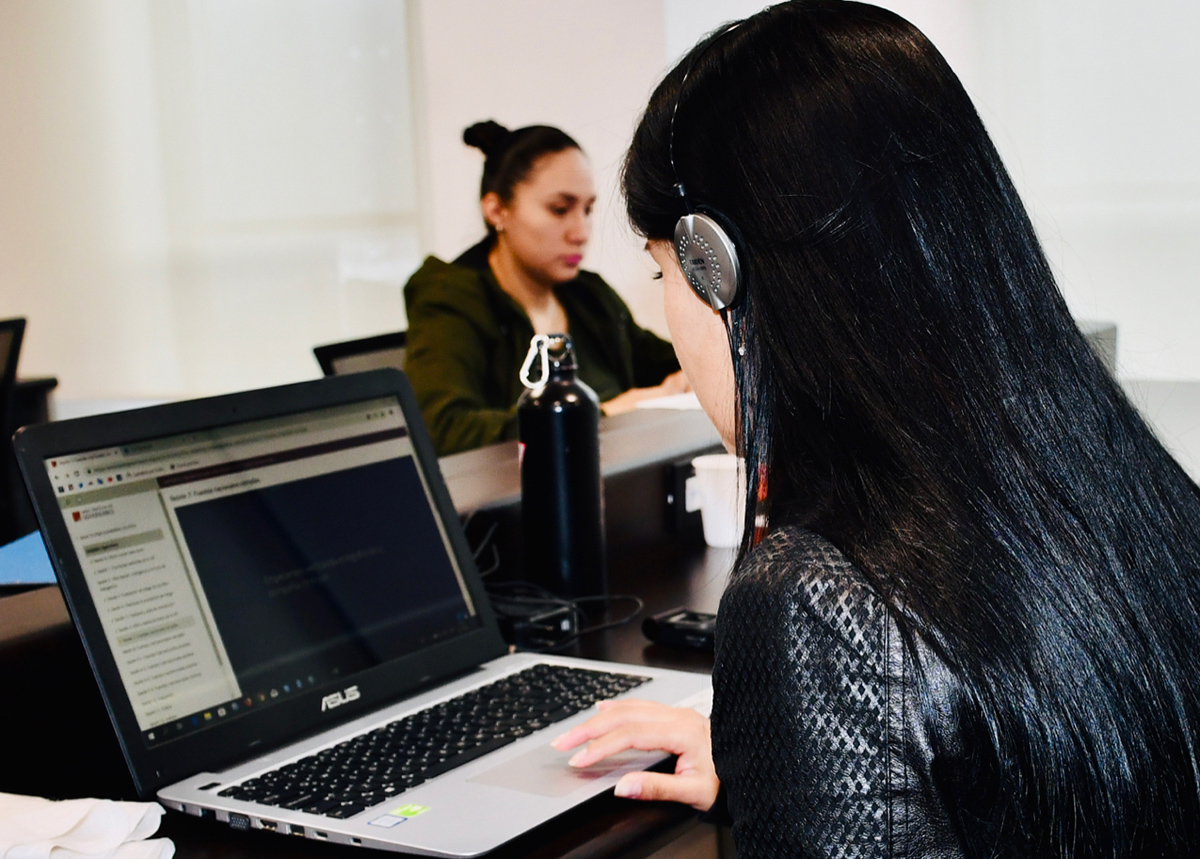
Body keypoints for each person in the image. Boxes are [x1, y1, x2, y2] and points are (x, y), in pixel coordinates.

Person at [551, 2, 1200, 855]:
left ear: (720, 268)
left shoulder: (820, 596)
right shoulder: (1119, 473)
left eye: (662, 272)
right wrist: (788, 759)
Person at [403, 121, 688, 455]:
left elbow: (666, 362)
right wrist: (600, 414)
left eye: (587, 210)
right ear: (497, 210)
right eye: (559, 209)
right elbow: (443, 430)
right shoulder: (451, 301)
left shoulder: (587, 295)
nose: (581, 232)